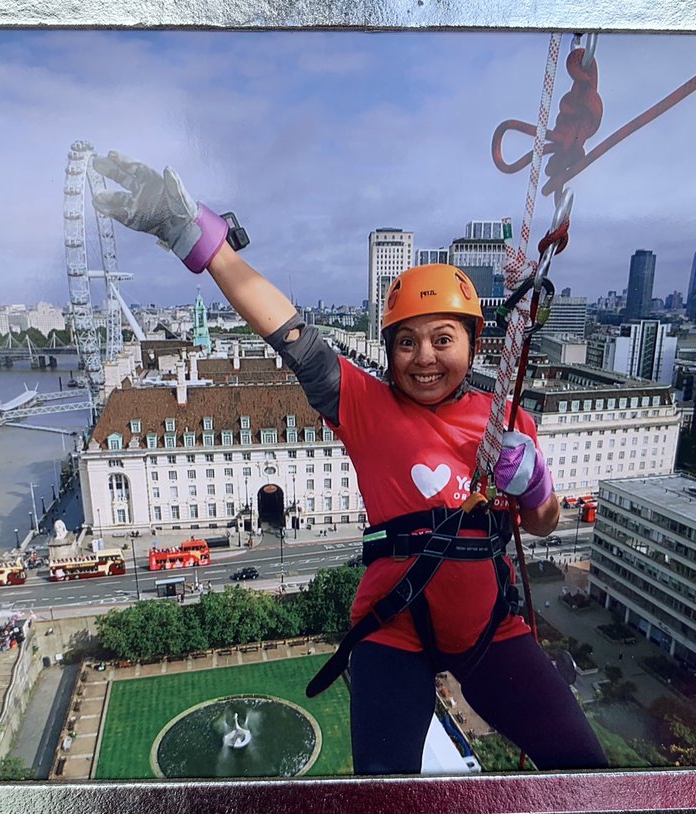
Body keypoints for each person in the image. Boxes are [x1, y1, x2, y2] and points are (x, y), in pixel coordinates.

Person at [90, 152, 607, 774]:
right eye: (407, 341)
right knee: (380, 795)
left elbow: (546, 522)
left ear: (473, 342)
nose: (424, 357)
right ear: (387, 350)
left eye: (443, 339)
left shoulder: (508, 423)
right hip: (392, 634)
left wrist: (536, 487)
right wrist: (196, 237)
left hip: (490, 630)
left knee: (585, 769)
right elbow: (283, 327)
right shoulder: (364, 404)